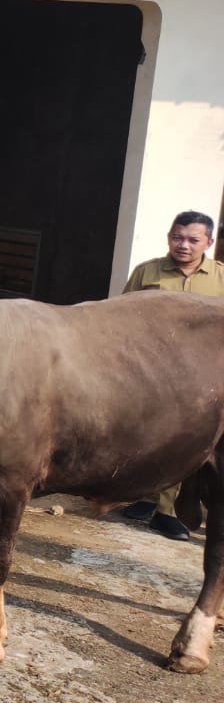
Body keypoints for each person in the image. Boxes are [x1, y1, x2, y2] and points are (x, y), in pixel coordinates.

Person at [119, 210, 224, 540]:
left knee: (183, 439)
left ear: (208, 242)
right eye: (177, 237)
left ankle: (166, 512)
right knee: (145, 435)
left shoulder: (220, 278)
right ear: (169, 237)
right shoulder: (147, 271)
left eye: (193, 240)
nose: (184, 245)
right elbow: (120, 314)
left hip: (198, 376)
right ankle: (145, 497)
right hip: (151, 369)